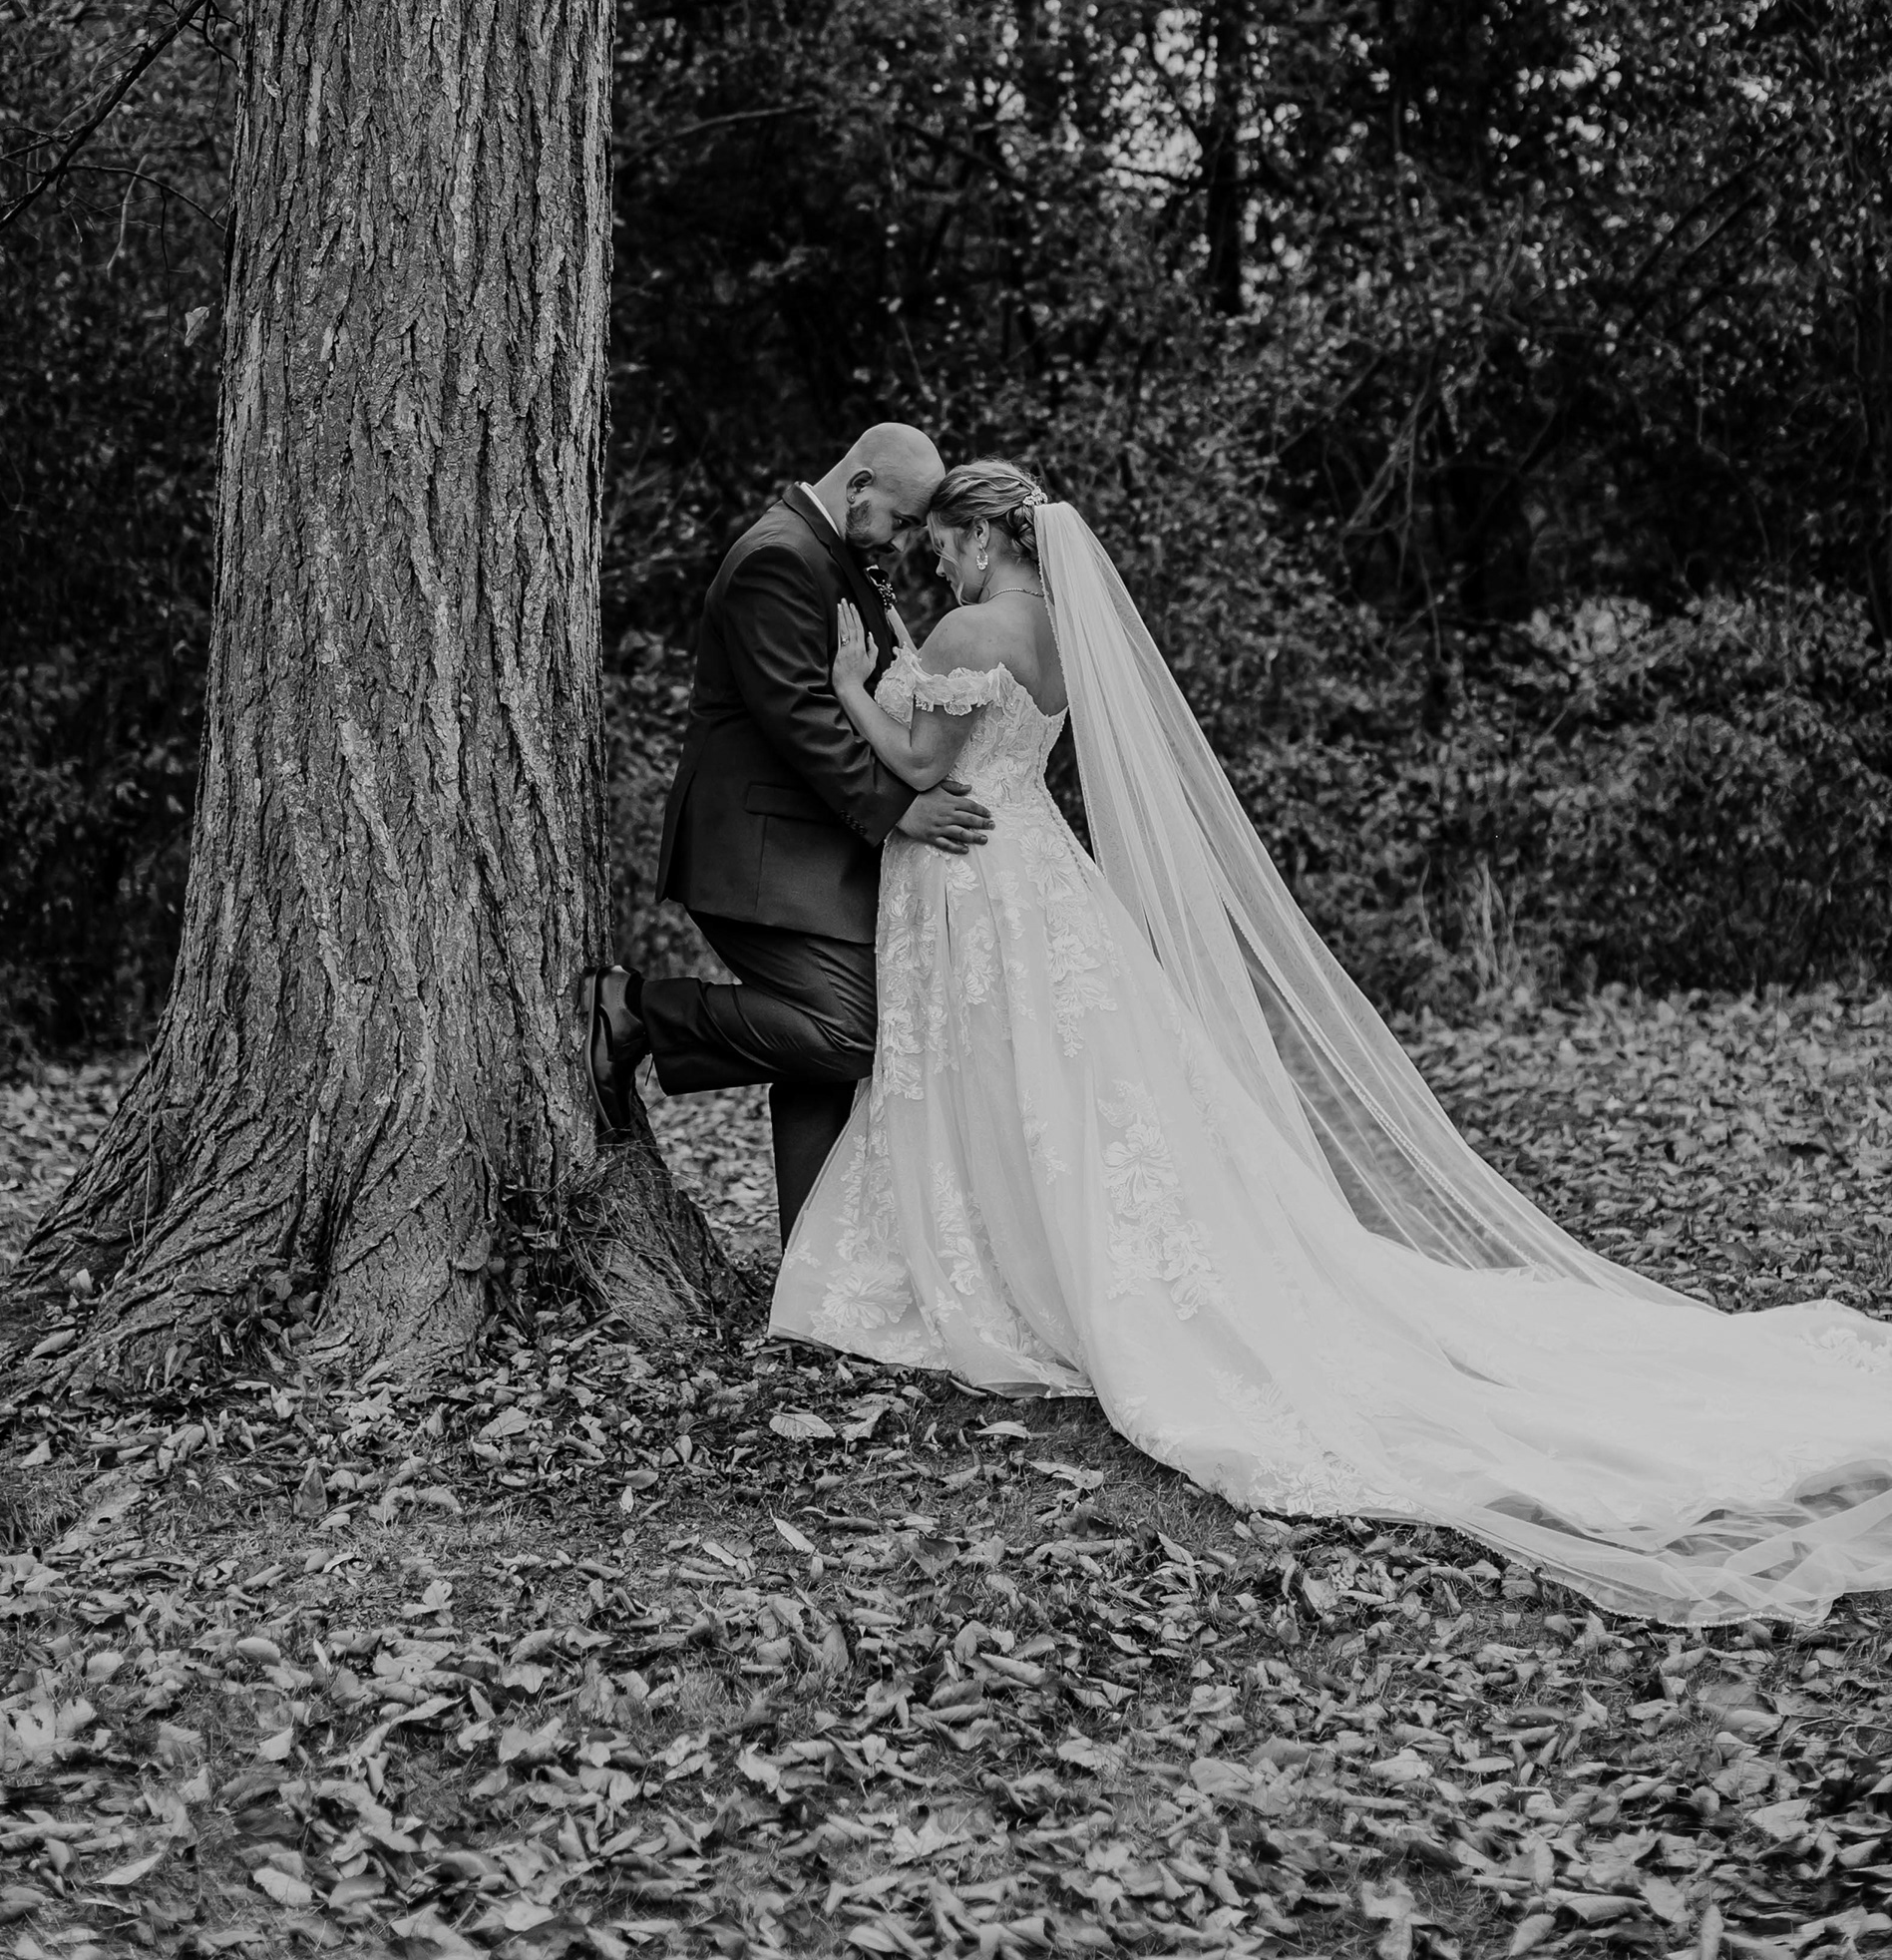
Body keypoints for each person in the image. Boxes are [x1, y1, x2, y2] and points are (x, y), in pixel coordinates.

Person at [772, 457, 1892, 1626]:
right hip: (1042, 875)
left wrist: (850, 683)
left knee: (1003, 1079)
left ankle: (999, 1260)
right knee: (1061, 1088)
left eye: (943, 547)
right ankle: (1028, 1248)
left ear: (983, 538)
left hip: (979, 882)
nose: (937, 568)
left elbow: (919, 764)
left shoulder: (969, 633)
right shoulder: (1061, 625)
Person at [583, 424, 994, 1243]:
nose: (905, 543)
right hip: (756, 854)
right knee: (856, 1033)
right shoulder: (777, 558)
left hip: (815, 857)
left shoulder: (834, 554)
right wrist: (902, 808)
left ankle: (811, 1266)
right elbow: (801, 718)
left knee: (819, 1050)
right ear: (860, 484)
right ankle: (635, 1010)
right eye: (902, 521)